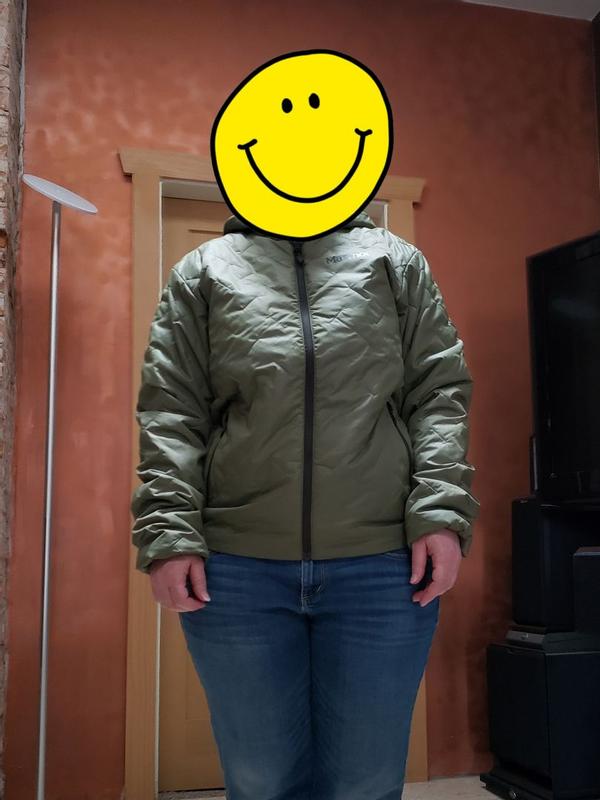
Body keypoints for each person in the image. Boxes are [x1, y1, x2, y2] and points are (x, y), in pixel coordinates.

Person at [130, 208, 480, 800]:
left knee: (366, 781)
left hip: (382, 566)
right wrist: (168, 533)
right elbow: (172, 411)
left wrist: (442, 512)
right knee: (259, 780)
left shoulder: (395, 263)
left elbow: (438, 394)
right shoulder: (203, 271)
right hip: (237, 571)